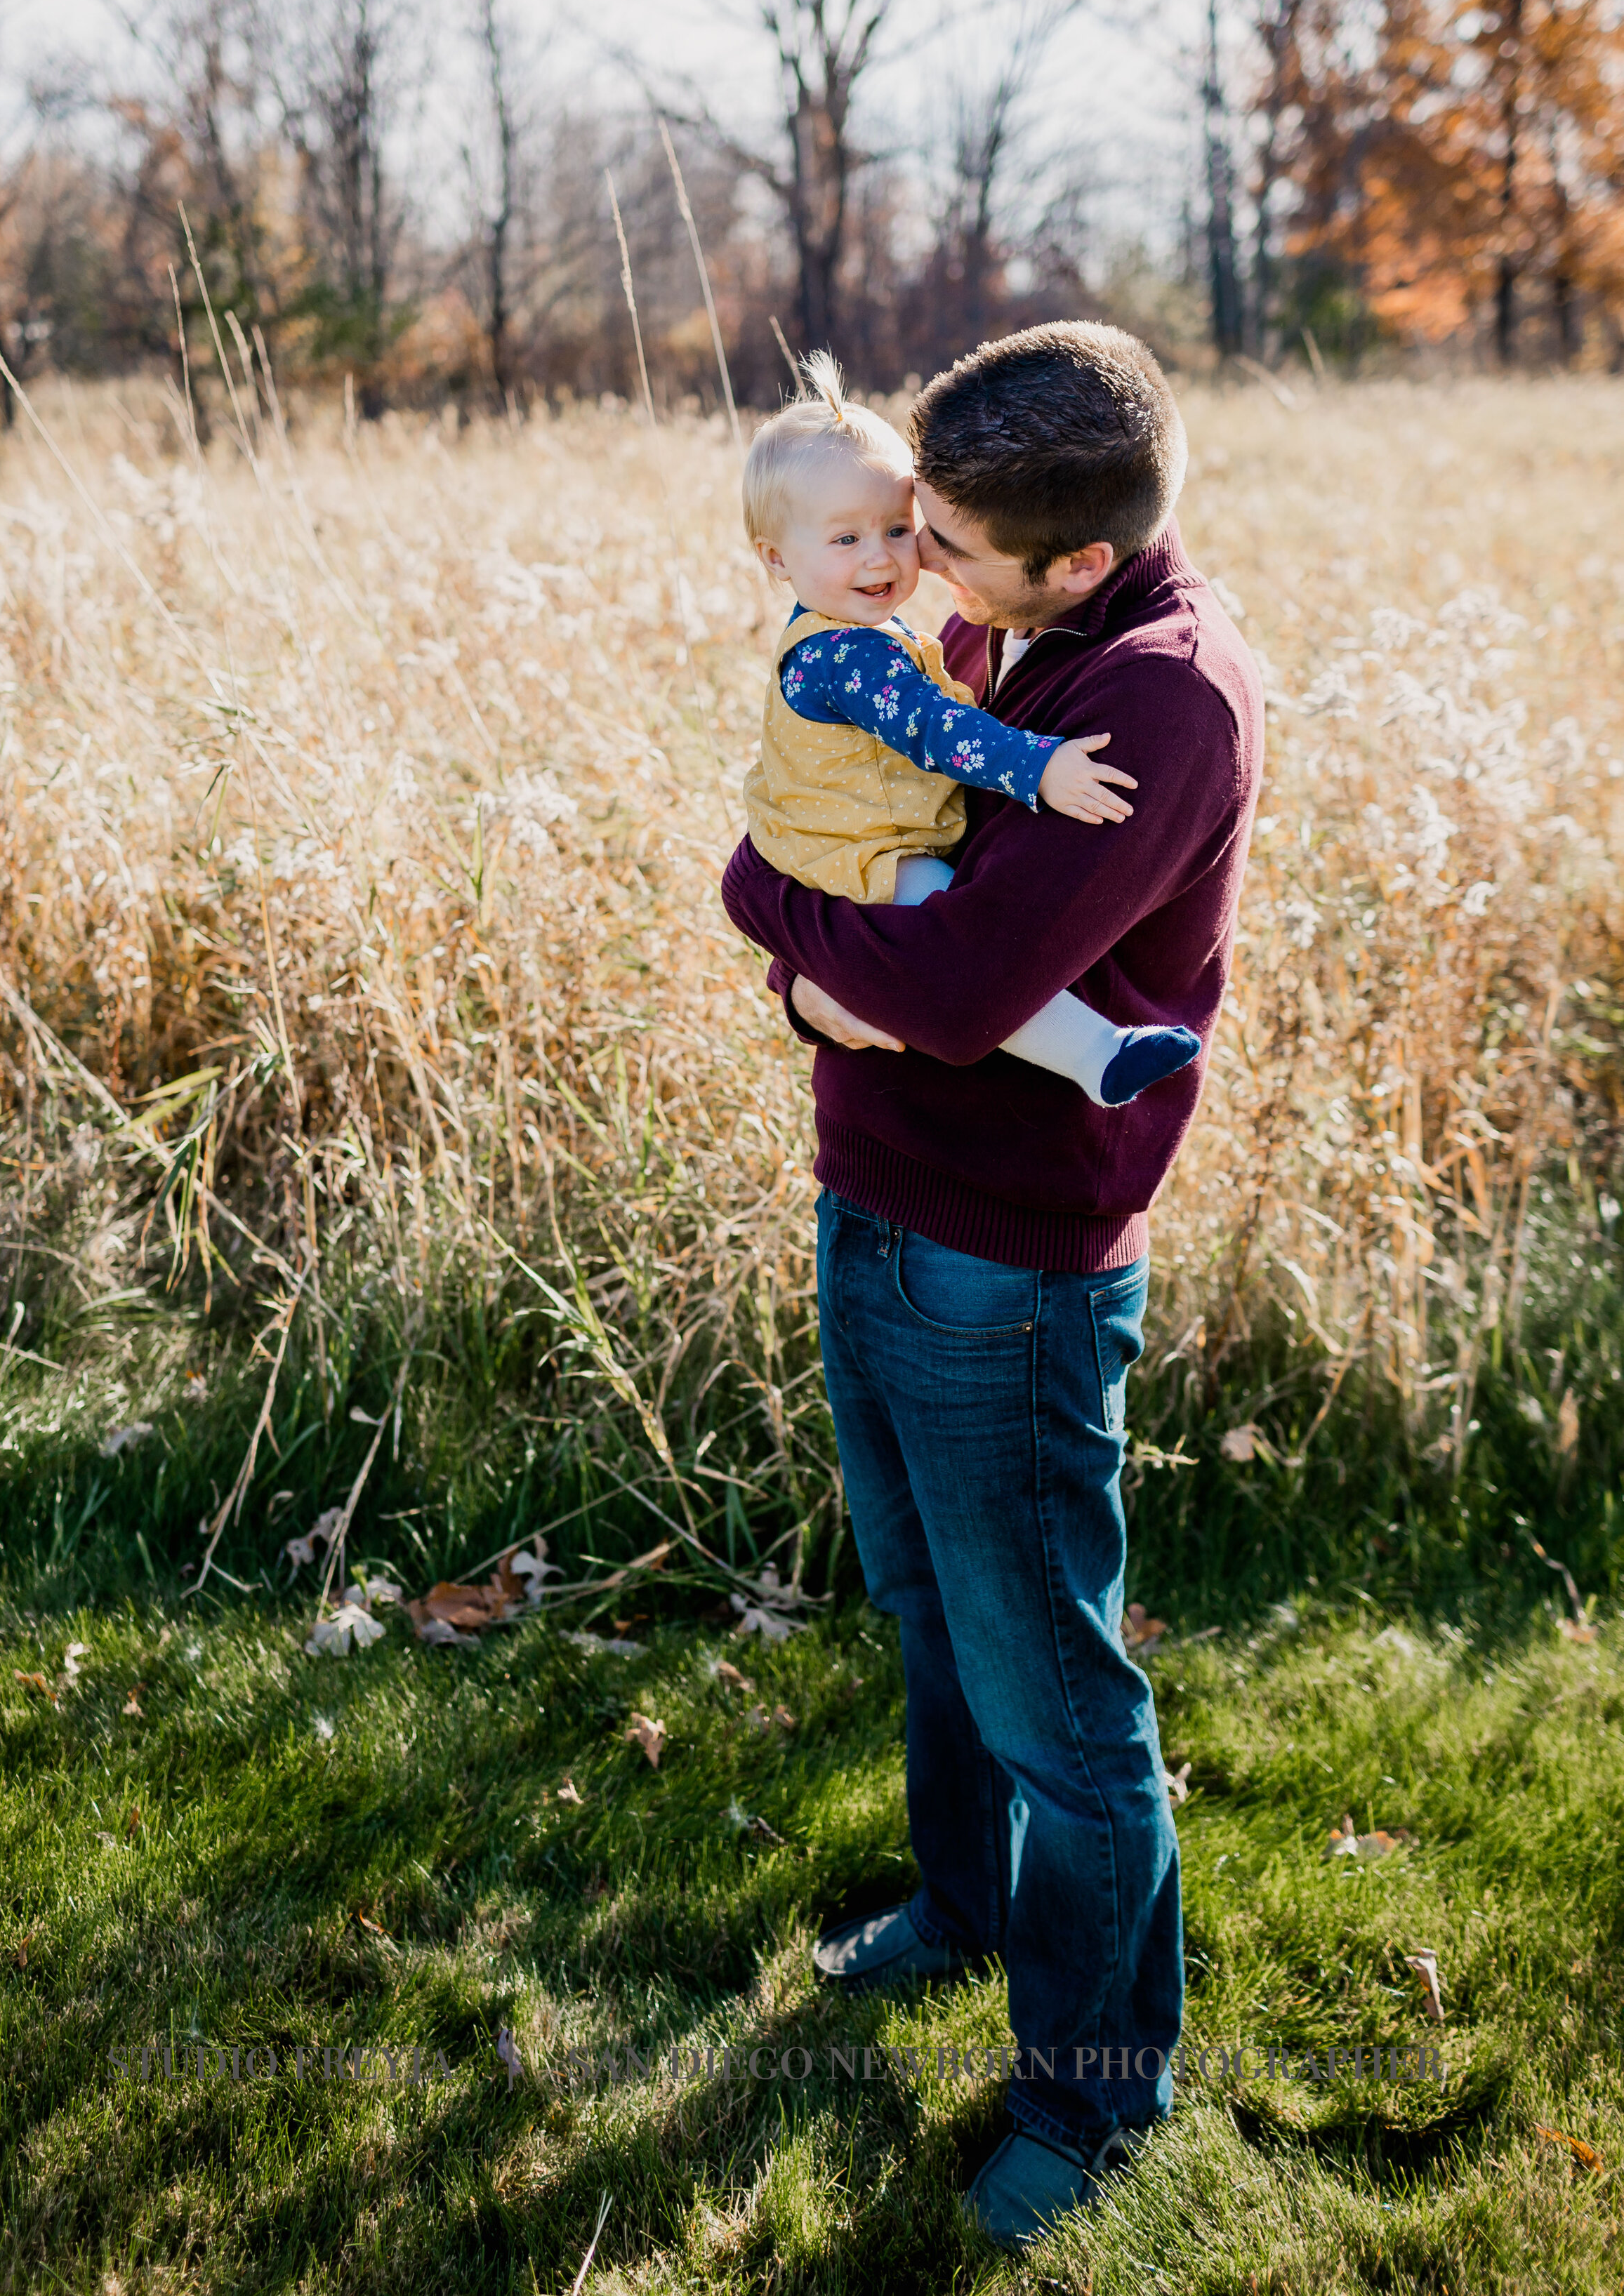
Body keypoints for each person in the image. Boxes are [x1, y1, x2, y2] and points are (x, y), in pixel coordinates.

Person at [720, 321, 1265, 2251]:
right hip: (874, 1190)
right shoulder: (1002, 626)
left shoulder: (1162, 704)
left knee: (1056, 1690)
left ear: (1075, 561)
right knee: (927, 1607)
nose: (908, 566)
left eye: (944, 538)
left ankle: (1095, 2087)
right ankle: (961, 1907)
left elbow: (944, 993)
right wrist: (790, 929)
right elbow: (765, 848)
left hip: (1003, 1254)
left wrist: (794, 947)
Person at [740, 350, 1201, 1108]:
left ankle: (1102, 1053)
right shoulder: (848, 654)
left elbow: (962, 987)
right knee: (933, 899)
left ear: (1078, 564)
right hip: (871, 852)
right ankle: (1098, 1053)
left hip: (998, 1205)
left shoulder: (1165, 694)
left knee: (955, 945)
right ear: (776, 560)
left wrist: (781, 923)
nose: (896, 556)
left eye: (898, 526)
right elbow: (936, 730)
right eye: (845, 539)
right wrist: (1038, 768)